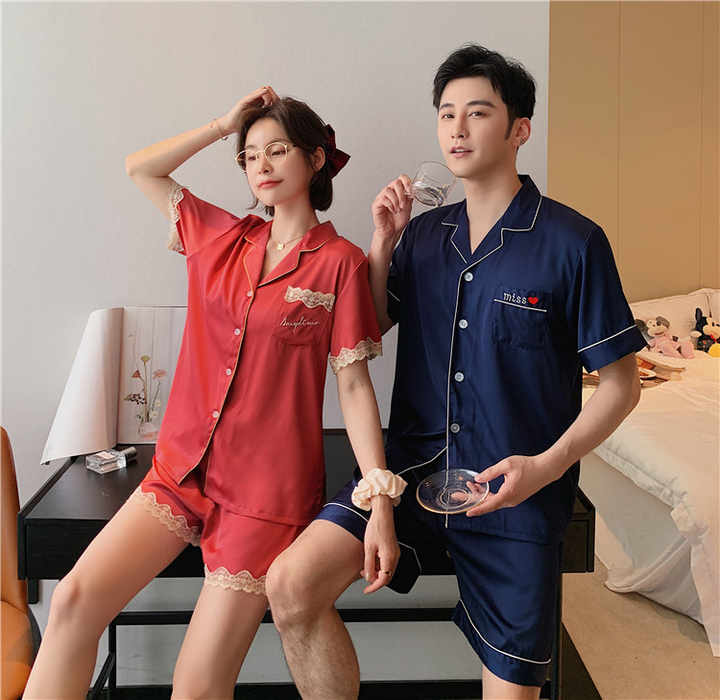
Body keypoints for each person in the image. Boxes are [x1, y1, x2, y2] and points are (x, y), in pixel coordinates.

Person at [265, 45, 647, 699]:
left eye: (477, 112)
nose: (457, 130)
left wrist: (546, 467)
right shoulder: (423, 236)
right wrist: (383, 241)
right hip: (407, 474)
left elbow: (622, 385)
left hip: (515, 493)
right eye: (446, 115)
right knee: (289, 585)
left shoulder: (574, 242)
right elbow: (369, 329)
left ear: (520, 129)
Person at [24, 86, 401, 699]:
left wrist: (379, 496)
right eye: (249, 155)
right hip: (180, 469)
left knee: (196, 687)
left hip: (263, 495)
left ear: (314, 159)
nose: (262, 164)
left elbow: (354, 384)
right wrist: (224, 124)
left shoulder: (341, 262)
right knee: (71, 602)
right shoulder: (219, 235)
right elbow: (141, 168)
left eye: (278, 150)